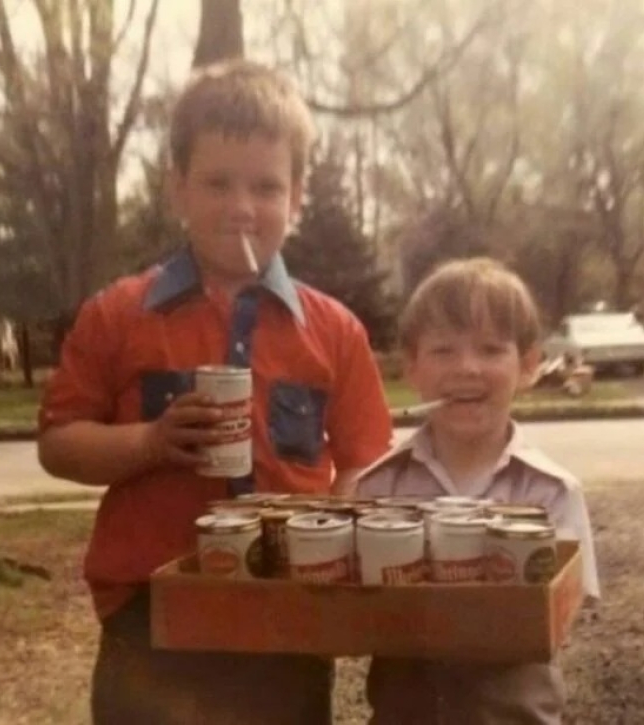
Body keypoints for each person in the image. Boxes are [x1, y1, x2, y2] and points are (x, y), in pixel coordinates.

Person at [37, 59, 392, 725]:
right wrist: (152, 441)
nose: (241, 207)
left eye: (265, 186)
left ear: (297, 195)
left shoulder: (334, 331)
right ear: (178, 188)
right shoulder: (119, 314)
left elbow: (364, 459)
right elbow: (58, 445)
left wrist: (332, 540)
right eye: (217, 183)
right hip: (151, 614)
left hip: (288, 609)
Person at [354, 257, 600, 725]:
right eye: (444, 350)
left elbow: (558, 621)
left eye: (490, 350)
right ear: (412, 368)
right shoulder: (380, 485)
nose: (467, 368)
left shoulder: (553, 492)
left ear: (528, 366)